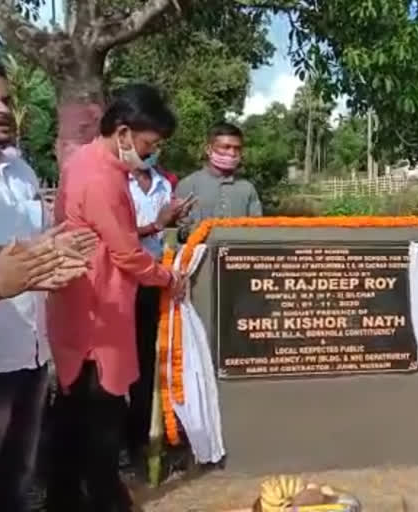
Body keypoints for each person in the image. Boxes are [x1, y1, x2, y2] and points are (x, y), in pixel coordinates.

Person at [46, 84, 187, 512]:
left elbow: (109, 236)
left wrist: (147, 232)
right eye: (148, 145)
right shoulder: (102, 176)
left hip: (81, 307)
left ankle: (65, 498)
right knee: (101, 422)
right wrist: (167, 277)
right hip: (97, 314)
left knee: (73, 421)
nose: (149, 154)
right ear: (123, 132)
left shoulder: (88, 162)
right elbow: (125, 254)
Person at [0, 60, 92, 512]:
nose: (2, 110)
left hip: (31, 351)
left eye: (6, 100)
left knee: (16, 481)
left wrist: (52, 253)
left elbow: (27, 251)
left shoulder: (22, 174)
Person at [127, 153, 194, 466]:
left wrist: (175, 221)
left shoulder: (164, 182)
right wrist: (157, 223)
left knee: (151, 360)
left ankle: (144, 437)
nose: (152, 149)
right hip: (121, 280)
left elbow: (165, 233)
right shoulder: (115, 182)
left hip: (155, 278)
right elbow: (116, 235)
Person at [176, 122, 262, 240]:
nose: (232, 153)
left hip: (236, 256)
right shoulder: (188, 185)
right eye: (226, 147)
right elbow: (179, 233)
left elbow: (257, 230)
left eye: (237, 148)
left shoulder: (247, 188)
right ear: (208, 149)